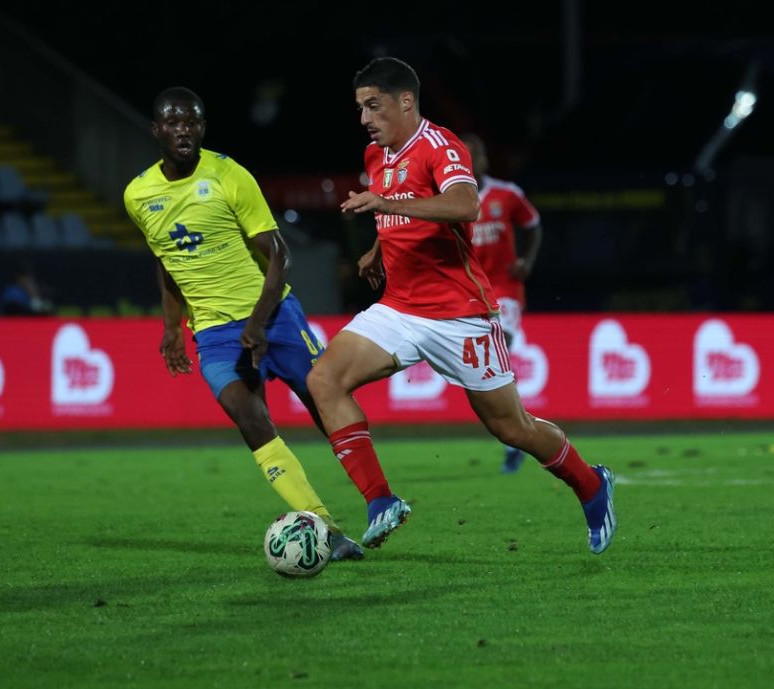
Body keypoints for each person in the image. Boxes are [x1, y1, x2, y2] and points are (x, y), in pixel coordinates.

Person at [306, 58, 617, 554]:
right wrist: (377, 249)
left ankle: (591, 483)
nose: (365, 117)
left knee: (510, 427)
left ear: (405, 101)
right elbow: (400, 215)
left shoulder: (440, 146)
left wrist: (385, 206)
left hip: (459, 314)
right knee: (324, 379)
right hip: (399, 308)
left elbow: (463, 205)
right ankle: (380, 501)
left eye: (373, 105)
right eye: (360, 107)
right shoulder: (376, 155)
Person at [123, 87, 368, 561]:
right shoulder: (138, 194)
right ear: (156, 130)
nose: (184, 131)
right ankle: (325, 527)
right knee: (250, 418)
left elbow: (278, 253)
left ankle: (377, 497)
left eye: (192, 122)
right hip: (213, 335)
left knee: (325, 404)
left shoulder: (228, 174)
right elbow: (166, 261)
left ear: (202, 128)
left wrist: (257, 324)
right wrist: (173, 327)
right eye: (173, 123)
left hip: (273, 315)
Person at [460, 133, 543, 473]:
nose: (470, 161)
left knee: (499, 347)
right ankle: (514, 432)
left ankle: (518, 435)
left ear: (483, 160)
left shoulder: (507, 195)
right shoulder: (450, 202)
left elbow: (534, 225)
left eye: (474, 155)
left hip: (505, 289)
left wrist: (527, 261)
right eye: (463, 156)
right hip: (468, 293)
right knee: (483, 367)